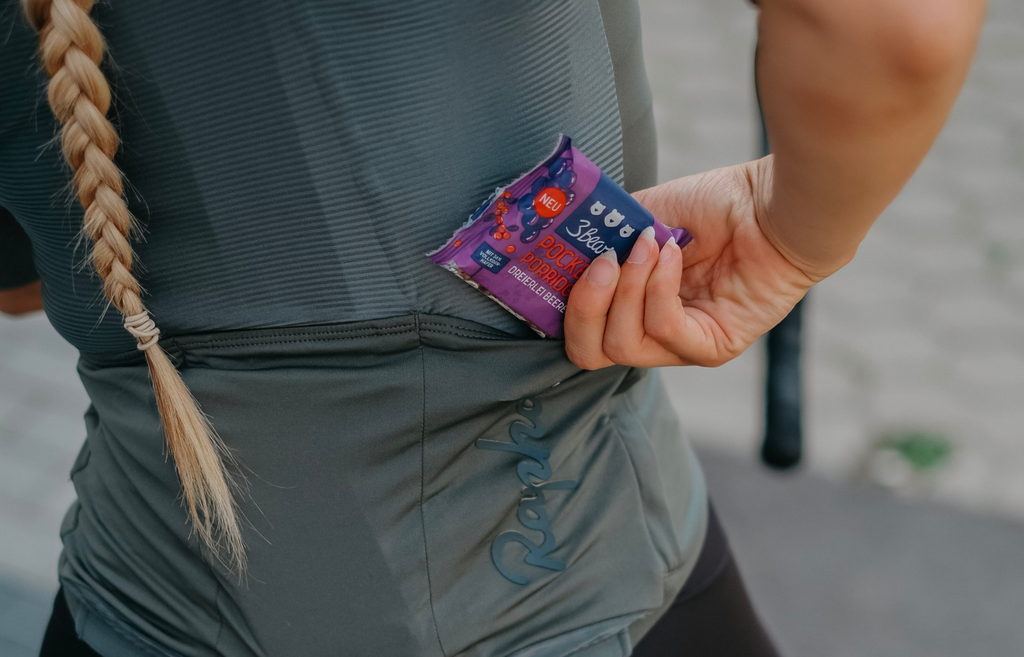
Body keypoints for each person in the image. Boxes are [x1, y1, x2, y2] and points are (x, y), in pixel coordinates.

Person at [0, 0, 984, 655]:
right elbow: (895, 28)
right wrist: (792, 236)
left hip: (151, 605)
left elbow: (24, 281)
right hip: (591, 582)